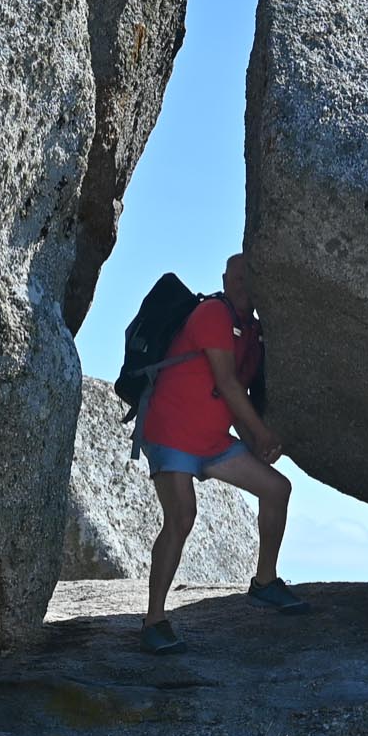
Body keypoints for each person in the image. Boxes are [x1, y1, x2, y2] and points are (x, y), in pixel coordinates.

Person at [135, 251, 306, 653]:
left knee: (276, 489)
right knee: (181, 516)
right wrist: (261, 437)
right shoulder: (213, 313)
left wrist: (257, 438)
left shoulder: (253, 332)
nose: (242, 282)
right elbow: (227, 383)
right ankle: (153, 621)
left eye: (250, 275)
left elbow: (244, 392)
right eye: (236, 275)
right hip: (171, 433)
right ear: (225, 279)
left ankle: (264, 582)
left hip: (212, 442)